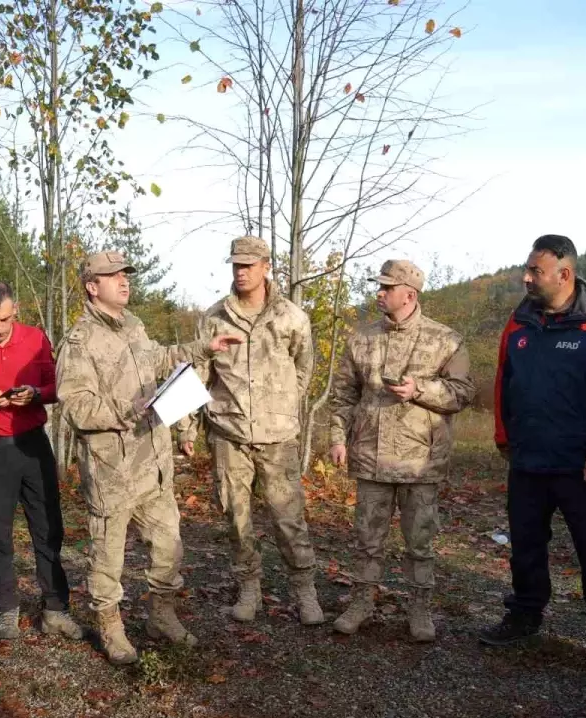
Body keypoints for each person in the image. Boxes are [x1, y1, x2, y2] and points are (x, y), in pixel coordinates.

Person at [55, 251, 241, 665]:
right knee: (107, 557)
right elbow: (76, 406)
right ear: (92, 286)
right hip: (112, 471)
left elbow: (158, 358)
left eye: (125, 274)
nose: (124, 281)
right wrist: (126, 411)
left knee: (168, 547)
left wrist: (203, 348)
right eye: (113, 276)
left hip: (153, 465)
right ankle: (110, 626)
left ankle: (162, 616)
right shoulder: (80, 342)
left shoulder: (134, 326)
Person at [481, 234, 586, 663]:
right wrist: (503, 436)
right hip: (528, 460)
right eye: (527, 269)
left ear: (564, 274)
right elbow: (504, 381)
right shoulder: (519, 321)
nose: (526, 277)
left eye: (536, 270)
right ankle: (525, 614)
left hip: (582, 465)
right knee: (526, 544)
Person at [176, 236, 323, 625]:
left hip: (278, 437)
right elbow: (199, 376)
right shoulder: (214, 318)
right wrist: (187, 428)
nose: (241, 272)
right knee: (236, 518)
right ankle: (249, 590)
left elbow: (303, 370)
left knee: (288, 519)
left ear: (266, 267)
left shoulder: (292, 317)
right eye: (236, 265)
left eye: (248, 265)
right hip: (229, 434)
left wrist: (279, 408)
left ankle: (305, 591)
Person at [328, 260, 476, 639]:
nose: (379, 293)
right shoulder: (361, 339)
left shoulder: (446, 340)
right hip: (370, 457)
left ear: (409, 294)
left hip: (420, 462)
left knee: (420, 542)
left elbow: (463, 393)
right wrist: (337, 437)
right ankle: (362, 602)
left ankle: (420, 610)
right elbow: (343, 395)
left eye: (387, 287)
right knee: (367, 540)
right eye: (379, 286)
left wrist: (419, 390)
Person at [0, 281, 81, 641]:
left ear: (15, 310)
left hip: (33, 445)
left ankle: (55, 608)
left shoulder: (35, 339)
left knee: (48, 528)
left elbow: (57, 388)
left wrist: (35, 394)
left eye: (4, 319)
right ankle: (6, 608)